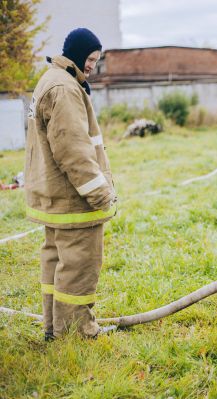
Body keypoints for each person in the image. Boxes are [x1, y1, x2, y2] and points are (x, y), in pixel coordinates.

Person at [25, 28, 117, 340]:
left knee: (55, 262)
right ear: (77, 53)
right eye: (90, 59)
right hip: (73, 200)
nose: (92, 66)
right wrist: (100, 193)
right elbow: (73, 150)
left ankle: (54, 329)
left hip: (53, 197)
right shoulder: (64, 89)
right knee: (78, 267)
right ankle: (78, 333)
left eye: (96, 60)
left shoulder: (52, 80)